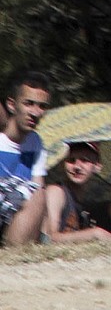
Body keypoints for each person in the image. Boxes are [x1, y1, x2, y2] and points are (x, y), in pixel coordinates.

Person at [0, 71, 53, 246]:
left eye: (42, 106)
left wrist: (45, 238)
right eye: (29, 104)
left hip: (14, 214)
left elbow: (38, 192)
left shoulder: (35, 142)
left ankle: (15, 258)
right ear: (11, 104)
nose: (35, 113)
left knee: (39, 194)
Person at [31, 141, 111, 244]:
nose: (77, 167)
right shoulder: (56, 192)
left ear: (97, 166)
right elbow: (50, 238)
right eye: (71, 160)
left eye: (84, 160)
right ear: (62, 164)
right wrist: (95, 234)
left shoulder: (85, 203)